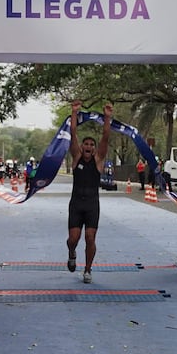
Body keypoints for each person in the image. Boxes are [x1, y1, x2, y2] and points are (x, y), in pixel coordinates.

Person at [66, 99, 112, 284]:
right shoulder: (76, 157)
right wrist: (74, 112)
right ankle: (71, 252)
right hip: (76, 204)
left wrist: (108, 117)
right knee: (73, 239)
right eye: (86, 144)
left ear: (94, 150)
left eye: (91, 145)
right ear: (81, 147)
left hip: (92, 205)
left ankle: (87, 270)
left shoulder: (99, 160)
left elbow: (106, 136)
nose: (88, 147)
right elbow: (73, 133)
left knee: (90, 237)